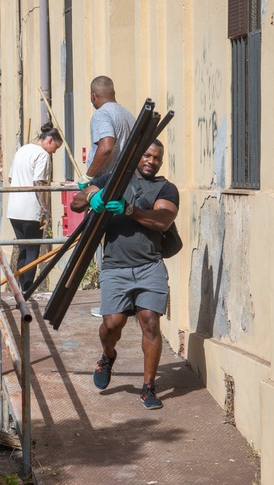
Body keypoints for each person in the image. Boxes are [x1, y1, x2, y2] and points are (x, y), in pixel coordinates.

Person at [71, 140, 179, 410]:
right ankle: (108, 356)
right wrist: (92, 197)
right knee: (112, 325)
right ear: (137, 156)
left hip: (149, 265)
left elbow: (162, 219)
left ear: (160, 162)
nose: (151, 160)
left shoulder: (165, 189)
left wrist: (129, 210)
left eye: (156, 157)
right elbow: (76, 202)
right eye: (147, 154)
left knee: (150, 322)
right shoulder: (114, 178)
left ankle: (149, 388)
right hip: (115, 267)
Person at [81, 75, 136, 317]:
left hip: (107, 185)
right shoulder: (128, 115)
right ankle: (125, 301)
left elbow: (106, 146)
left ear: (94, 96)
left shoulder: (102, 114)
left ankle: (110, 304)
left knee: (105, 246)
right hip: (129, 184)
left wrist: (88, 175)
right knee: (122, 244)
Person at [7, 123, 63, 292]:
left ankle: (19, 289)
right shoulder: (42, 154)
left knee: (23, 248)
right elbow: (38, 183)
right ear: (50, 140)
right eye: (55, 147)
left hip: (14, 209)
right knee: (33, 251)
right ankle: (27, 290)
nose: (54, 152)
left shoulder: (22, 149)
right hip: (30, 209)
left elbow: (10, 179)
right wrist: (45, 209)